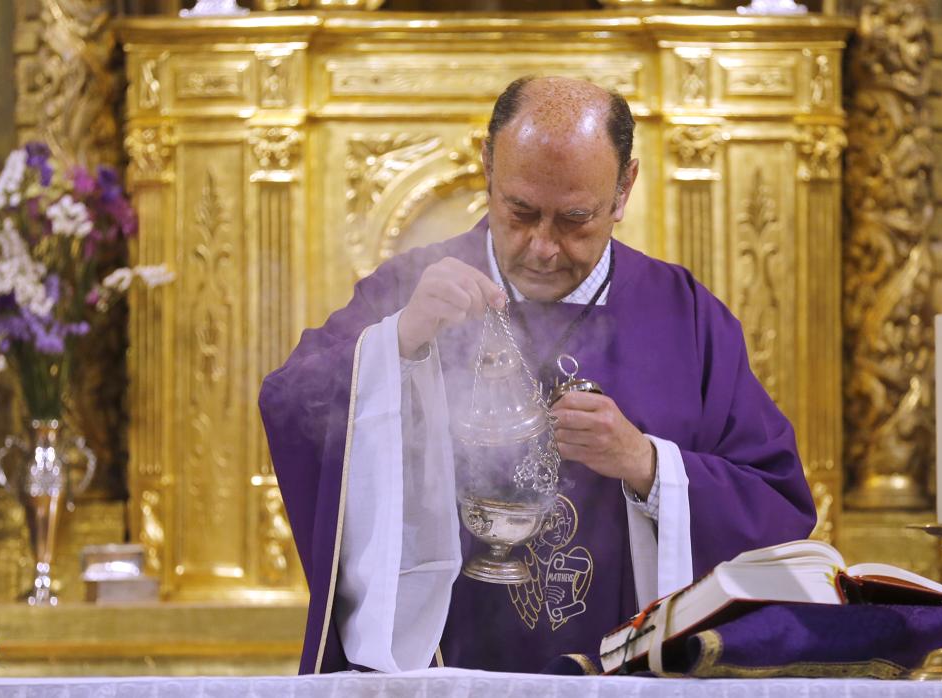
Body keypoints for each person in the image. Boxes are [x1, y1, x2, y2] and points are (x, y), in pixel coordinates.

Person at [259, 76, 817, 675]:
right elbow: (293, 404)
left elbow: (777, 508)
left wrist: (648, 465)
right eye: (520, 212)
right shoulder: (413, 290)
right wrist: (397, 346)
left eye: (575, 220)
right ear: (488, 167)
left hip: (627, 682)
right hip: (443, 676)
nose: (543, 248)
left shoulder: (684, 316)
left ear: (624, 188)